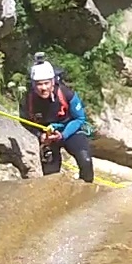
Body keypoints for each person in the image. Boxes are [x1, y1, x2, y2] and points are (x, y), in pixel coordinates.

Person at [19, 53, 95, 183]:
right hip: (47, 137)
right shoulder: (28, 100)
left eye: (46, 83)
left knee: (86, 161)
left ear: (53, 82)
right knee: (50, 176)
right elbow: (24, 121)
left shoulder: (66, 94)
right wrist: (39, 135)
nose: (43, 88)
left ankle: (87, 192)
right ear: (33, 84)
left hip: (71, 131)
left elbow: (80, 119)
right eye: (39, 84)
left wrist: (63, 135)